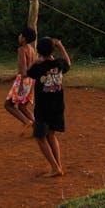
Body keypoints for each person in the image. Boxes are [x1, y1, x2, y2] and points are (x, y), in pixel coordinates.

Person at [26, 37, 71, 177]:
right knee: (51, 135)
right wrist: (61, 45)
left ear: (39, 52)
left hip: (43, 108)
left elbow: (28, 71)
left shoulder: (38, 67)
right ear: (53, 50)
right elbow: (68, 62)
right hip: (58, 106)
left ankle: (55, 167)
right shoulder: (59, 64)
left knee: (40, 137)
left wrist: (36, 60)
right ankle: (58, 165)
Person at [4, 26, 37, 132]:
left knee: (8, 105)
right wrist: (11, 78)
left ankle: (27, 122)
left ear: (24, 38)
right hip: (31, 80)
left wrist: (21, 86)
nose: (19, 36)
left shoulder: (21, 50)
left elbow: (23, 71)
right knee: (22, 107)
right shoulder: (32, 50)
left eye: (21, 35)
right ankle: (38, 128)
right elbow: (28, 69)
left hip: (23, 81)